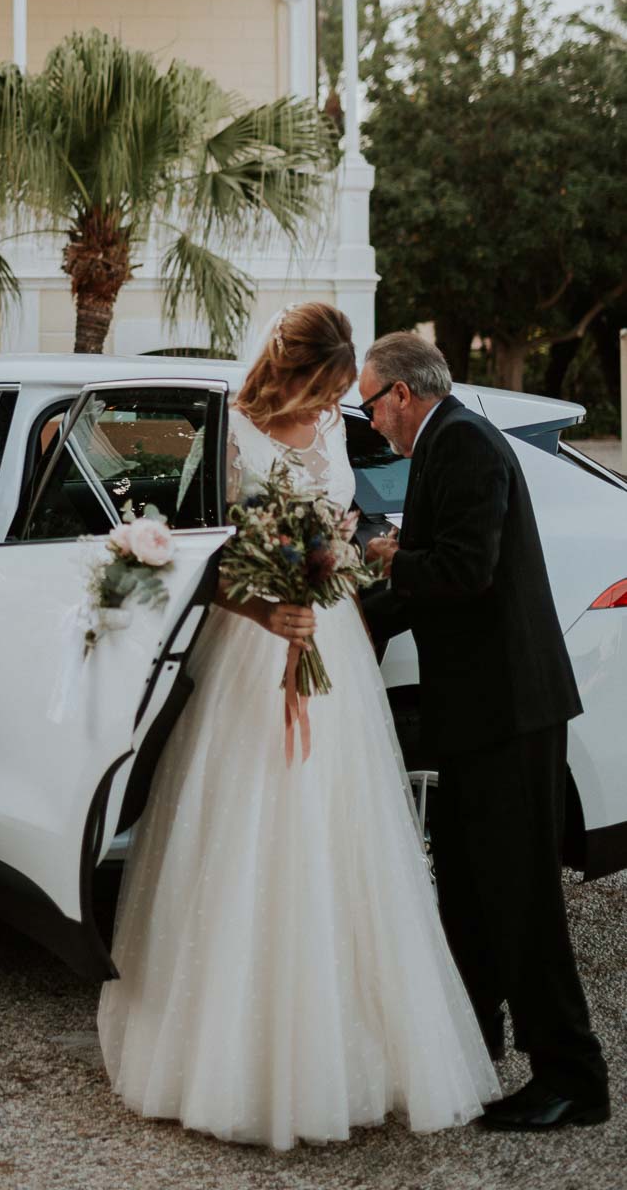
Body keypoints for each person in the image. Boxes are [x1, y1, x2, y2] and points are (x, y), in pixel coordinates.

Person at [98, 302, 499, 1151]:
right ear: (290, 373)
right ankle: (230, 1061)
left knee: (342, 833)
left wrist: (339, 574)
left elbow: (345, 536)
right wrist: (266, 607)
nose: (330, 411)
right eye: (321, 391)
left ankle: (352, 1054)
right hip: (251, 649)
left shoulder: (333, 432)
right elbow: (198, 560)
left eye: (338, 397)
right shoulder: (232, 432)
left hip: (333, 649)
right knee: (248, 831)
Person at [359, 331, 609, 1132]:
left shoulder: (464, 444)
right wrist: (362, 614)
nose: (368, 422)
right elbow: (439, 571)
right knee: (466, 893)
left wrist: (390, 562)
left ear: (402, 393)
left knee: (521, 897)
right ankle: (472, 1047)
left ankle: (573, 1078)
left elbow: (463, 568)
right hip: (476, 713)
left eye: (368, 403)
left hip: (509, 715)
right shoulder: (443, 442)